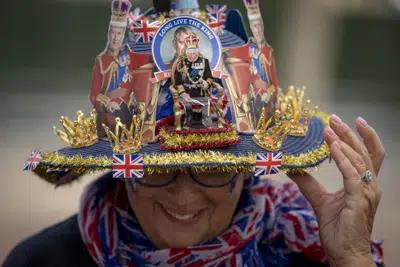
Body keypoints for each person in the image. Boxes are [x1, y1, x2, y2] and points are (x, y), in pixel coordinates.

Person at [3, 116, 385, 267]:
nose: (184, 196)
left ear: (246, 172)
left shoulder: (307, 257)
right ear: (122, 170)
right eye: (157, 168)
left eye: (212, 168)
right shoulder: (42, 262)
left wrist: (352, 256)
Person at [90, 0, 136, 137]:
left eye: (119, 34)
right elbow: (93, 95)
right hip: (108, 113)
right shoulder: (101, 60)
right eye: (113, 33)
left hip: (130, 108)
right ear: (108, 34)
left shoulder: (131, 57)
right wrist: (107, 103)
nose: (115, 38)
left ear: (123, 36)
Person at [171, 33, 214, 129]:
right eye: (189, 53)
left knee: (206, 103)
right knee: (187, 105)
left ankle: (205, 119)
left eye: (194, 53)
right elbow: (178, 82)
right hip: (187, 92)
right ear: (186, 52)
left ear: (198, 52)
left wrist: (206, 83)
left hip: (201, 92)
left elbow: (210, 78)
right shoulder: (181, 63)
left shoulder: (204, 61)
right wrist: (183, 94)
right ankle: (188, 119)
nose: (192, 56)